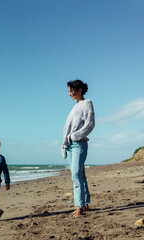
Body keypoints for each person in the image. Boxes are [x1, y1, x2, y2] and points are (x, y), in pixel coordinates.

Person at [62, 79, 95, 218]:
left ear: (79, 90)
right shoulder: (75, 107)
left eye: (71, 90)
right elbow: (67, 128)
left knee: (75, 175)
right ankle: (85, 203)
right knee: (80, 175)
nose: (69, 93)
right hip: (70, 145)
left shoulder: (87, 103)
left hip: (78, 144)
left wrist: (75, 136)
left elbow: (90, 124)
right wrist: (65, 144)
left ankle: (79, 207)